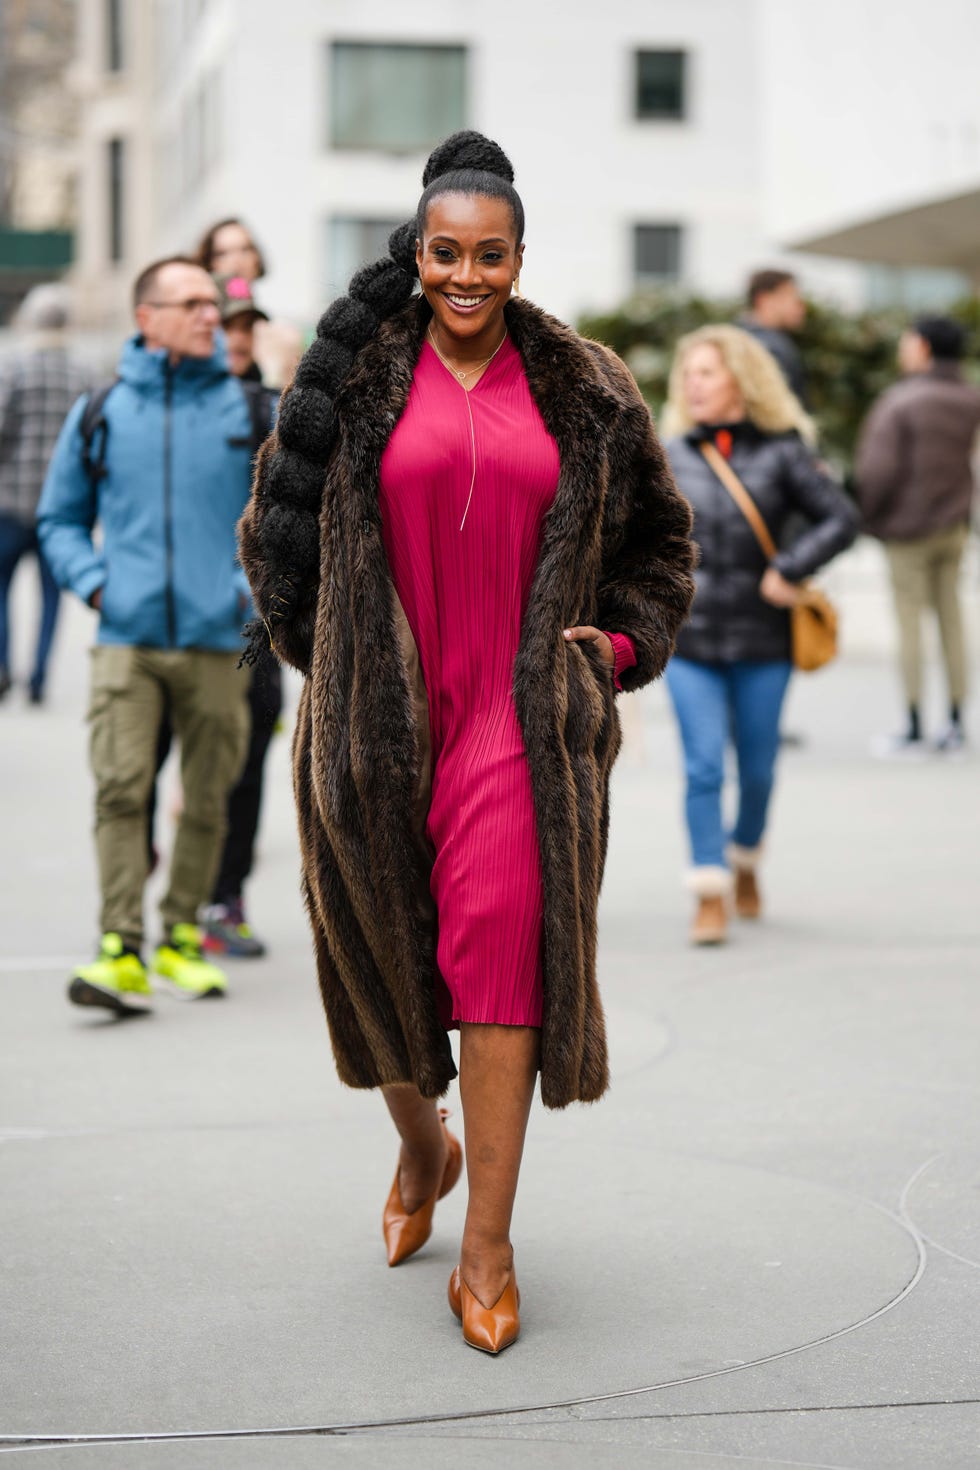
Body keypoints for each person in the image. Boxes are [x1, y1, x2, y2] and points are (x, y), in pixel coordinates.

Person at [238, 131, 696, 1353]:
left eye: (489, 255)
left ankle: (487, 1244)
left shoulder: (585, 386)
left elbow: (658, 545)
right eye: (445, 252)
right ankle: (419, 1143)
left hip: (517, 724)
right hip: (381, 727)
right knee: (385, 973)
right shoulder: (351, 378)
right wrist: (333, 669)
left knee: (499, 957)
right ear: (418, 251)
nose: (466, 277)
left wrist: (610, 657)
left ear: (518, 258)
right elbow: (273, 543)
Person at [37, 257, 254, 1014]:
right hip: (126, 636)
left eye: (213, 303)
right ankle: (120, 947)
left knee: (205, 798)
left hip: (219, 640)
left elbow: (287, 527)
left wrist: (246, 597)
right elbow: (59, 520)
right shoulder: (101, 410)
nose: (210, 316)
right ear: (146, 316)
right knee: (121, 788)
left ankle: (182, 936)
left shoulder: (251, 411)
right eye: (191, 303)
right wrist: (97, 585)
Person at [660, 325, 857, 946]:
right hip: (689, 640)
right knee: (701, 768)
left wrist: (791, 568)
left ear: (741, 381)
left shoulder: (784, 453)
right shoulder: (666, 455)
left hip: (764, 639)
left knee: (761, 770)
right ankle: (710, 890)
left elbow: (842, 518)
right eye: (688, 374)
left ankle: (745, 855)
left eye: (707, 373)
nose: (693, 384)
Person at [148, 272, 281, 957]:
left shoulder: (275, 411)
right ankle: (145, 858)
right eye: (222, 324)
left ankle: (224, 896)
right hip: (170, 614)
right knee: (151, 749)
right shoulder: (169, 405)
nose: (233, 337)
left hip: (250, 623)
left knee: (248, 755)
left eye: (244, 327)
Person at [855, 316, 980, 756]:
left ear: (924, 347)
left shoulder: (900, 401)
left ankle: (912, 724)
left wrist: (868, 518)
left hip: (907, 530)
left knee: (910, 624)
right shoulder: (970, 397)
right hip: (954, 526)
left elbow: (877, 471)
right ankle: (956, 721)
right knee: (952, 619)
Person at [0, 284, 92, 704]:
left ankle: (3, 667)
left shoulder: (13, 367)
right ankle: (38, 677)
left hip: (10, 502)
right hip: (61, 507)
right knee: (51, 597)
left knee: (1, 589)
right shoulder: (83, 373)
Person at [194, 217, 301, 390]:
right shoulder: (197, 330)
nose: (236, 260)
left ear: (256, 259)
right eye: (223, 252)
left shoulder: (281, 336)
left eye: (245, 249)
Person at [739, 268, 809, 407]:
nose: (801, 307)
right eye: (792, 297)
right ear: (763, 300)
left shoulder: (734, 338)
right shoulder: (771, 348)